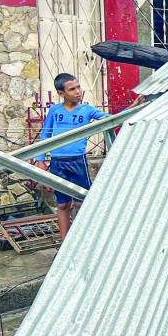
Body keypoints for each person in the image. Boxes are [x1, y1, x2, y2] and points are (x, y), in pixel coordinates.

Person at [33, 73, 108, 240]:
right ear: (61, 93)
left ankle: (84, 240)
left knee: (82, 202)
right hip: (57, 162)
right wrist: (40, 159)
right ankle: (65, 243)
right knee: (63, 204)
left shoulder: (87, 110)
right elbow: (45, 135)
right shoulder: (54, 110)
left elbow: (111, 120)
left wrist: (132, 107)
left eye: (78, 87)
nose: (78, 91)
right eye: (72, 89)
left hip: (78, 161)